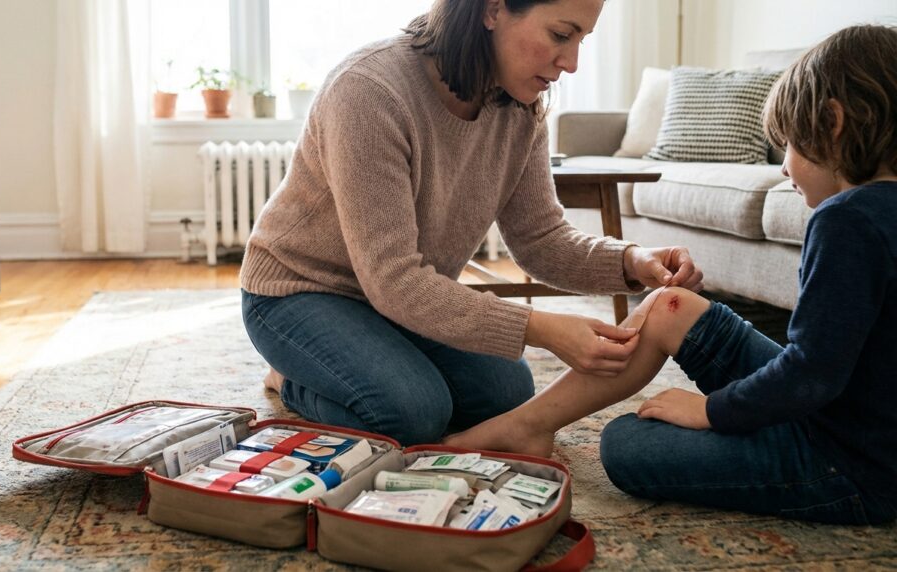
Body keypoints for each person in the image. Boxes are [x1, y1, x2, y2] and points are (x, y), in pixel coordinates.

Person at [445, 24, 897, 525]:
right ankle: (527, 425)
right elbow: (825, 366)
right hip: (848, 419)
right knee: (668, 308)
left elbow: (811, 374)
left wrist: (711, 412)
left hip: (851, 466)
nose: (785, 169)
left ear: (832, 123)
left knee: (625, 443)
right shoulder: (867, 214)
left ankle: (528, 426)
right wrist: (633, 262)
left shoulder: (846, 220)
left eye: (788, 144)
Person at [240, 0, 703, 446]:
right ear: (492, 8)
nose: (572, 62)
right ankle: (290, 379)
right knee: (413, 413)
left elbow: (541, 239)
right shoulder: (368, 90)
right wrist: (541, 327)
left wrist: (632, 260)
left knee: (506, 394)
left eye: (582, 39)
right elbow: (394, 279)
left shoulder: (522, 107)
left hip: (393, 302)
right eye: (561, 34)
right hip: (297, 291)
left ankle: (367, 362)